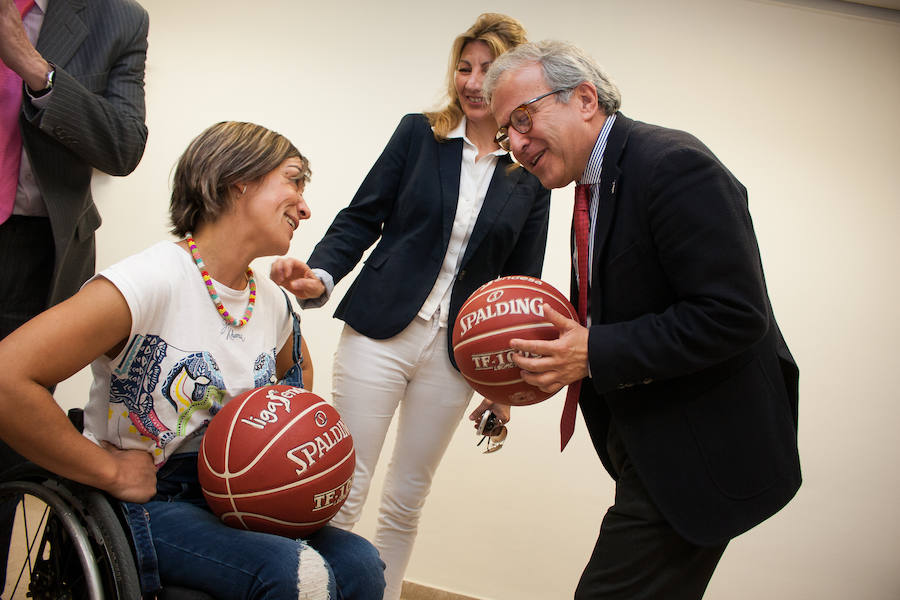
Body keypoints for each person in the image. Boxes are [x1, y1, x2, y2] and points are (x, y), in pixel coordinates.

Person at [0, 121, 385, 599]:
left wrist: (284, 461)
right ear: (238, 179)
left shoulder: (274, 303)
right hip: (151, 496)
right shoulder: (151, 280)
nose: (306, 207)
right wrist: (109, 470)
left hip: (233, 495)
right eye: (293, 180)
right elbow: (7, 378)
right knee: (291, 572)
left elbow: (297, 375)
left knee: (361, 564)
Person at [483, 41, 801, 599]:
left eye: (524, 119)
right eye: (506, 130)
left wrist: (594, 352)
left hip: (700, 449)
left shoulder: (672, 164)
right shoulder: (593, 185)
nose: (516, 143)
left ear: (584, 98)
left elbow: (733, 312)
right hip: (652, 446)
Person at [270, 13, 550, 600]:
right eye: (464, 66)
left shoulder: (529, 176)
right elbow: (360, 216)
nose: (472, 82)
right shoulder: (418, 134)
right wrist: (319, 276)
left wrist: (503, 386)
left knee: (406, 499)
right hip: (380, 332)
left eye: (487, 71)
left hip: (456, 355)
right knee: (342, 485)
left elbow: (522, 284)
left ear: (513, 86)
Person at [0, 0, 150, 576]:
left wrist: (32, 65)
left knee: (6, 440)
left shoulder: (118, 19)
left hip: (33, 254)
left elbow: (124, 144)